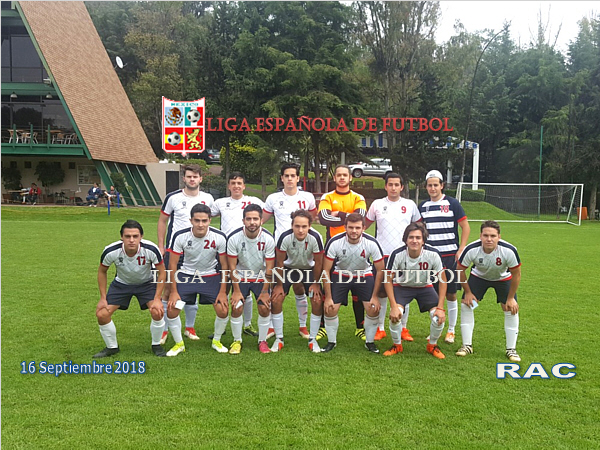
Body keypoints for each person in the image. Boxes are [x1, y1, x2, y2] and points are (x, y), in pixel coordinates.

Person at [157, 164, 214, 344]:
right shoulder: (173, 197)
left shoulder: (208, 198)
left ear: (200, 179)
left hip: (198, 252)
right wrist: (161, 245)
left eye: (195, 177)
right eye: (189, 176)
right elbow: (162, 221)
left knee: (193, 288)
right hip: (175, 250)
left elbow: (208, 222)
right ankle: (164, 329)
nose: (192, 179)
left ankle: (189, 327)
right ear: (184, 178)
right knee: (168, 289)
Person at [94, 220, 167, 358]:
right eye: (127, 236)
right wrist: (103, 298)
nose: (131, 240)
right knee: (102, 314)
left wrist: (157, 298)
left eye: (135, 236)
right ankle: (112, 347)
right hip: (121, 284)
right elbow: (102, 271)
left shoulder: (151, 249)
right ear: (121, 237)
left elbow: (162, 272)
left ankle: (156, 345)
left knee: (157, 311)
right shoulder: (111, 251)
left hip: (146, 284)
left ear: (141, 237)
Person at [165, 204, 229, 356]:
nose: (201, 224)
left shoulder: (219, 237)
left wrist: (222, 292)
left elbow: (225, 266)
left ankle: (216, 341)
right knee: (172, 310)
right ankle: (179, 344)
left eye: (204, 221)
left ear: (209, 221)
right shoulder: (180, 236)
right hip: (186, 276)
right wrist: (173, 291)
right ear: (191, 220)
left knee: (223, 310)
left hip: (210, 276)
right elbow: (172, 265)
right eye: (197, 220)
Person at [263, 163, 317, 339]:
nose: (289, 179)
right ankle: (272, 326)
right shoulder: (273, 198)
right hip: (280, 250)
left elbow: (312, 218)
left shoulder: (307, 197)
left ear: (298, 178)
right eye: (286, 176)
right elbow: (262, 220)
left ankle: (303, 326)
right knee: (276, 288)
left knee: (300, 287)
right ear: (282, 178)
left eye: (293, 175)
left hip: (303, 248)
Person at [455, 220, 522, 362]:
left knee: (510, 308)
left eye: (493, 236)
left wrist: (510, 298)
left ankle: (511, 349)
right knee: (467, 304)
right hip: (479, 277)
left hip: (503, 278)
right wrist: (468, 292)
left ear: (499, 237)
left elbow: (516, 274)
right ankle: (466, 346)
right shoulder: (471, 249)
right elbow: (460, 270)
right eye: (485, 235)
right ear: (480, 236)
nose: (489, 239)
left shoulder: (509, 250)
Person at [365, 172, 421, 342]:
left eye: (397, 185)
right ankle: (380, 328)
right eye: (390, 184)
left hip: (404, 256)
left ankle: (403, 328)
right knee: (381, 292)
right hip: (382, 256)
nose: (393, 188)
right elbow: (364, 226)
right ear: (386, 186)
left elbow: (419, 227)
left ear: (402, 187)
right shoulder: (377, 204)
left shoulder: (410, 205)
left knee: (404, 291)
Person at [321, 213, 386, 353]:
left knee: (372, 308)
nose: (354, 231)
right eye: (350, 227)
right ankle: (331, 342)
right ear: (345, 227)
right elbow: (325, 270)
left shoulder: (371, 243)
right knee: (331, 308)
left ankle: (370, 342)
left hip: (364, 274)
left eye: (357, 228)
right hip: (341, 274)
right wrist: (328, 297)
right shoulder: (335, 242)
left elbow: (380, 270)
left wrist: (375, 296)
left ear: (363, 228)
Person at [418, 169, 470, 344]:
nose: (432, 188)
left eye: (435, 185)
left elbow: (465, 227)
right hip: (431, 258)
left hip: (450, 256)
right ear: (426, 187)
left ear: (442, 185)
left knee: (451, 294)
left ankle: (451, 330)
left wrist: (461, 249)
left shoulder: (452, 203)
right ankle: (436, 328)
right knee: (433, 296)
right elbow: (419, 231)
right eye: (429, 185)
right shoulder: (423, 206)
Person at [383, 222, 447, 359]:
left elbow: (443, 280)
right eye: (411, 237)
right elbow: (388, 280)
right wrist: (393, 306)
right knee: (395, 316)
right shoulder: (397, 254)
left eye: (418, 237)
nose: (414, 241)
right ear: (405, 239)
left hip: (425, 287)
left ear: (423, 240)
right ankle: (397, 345)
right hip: (402, 287)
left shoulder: (433, 254)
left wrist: (441, 307)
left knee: (438, 317)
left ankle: (432, 345)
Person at [211, 172, 264, 337]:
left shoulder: (254, 201)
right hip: (225, 251)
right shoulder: (220, 203)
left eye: (239, 183)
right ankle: (222, 326)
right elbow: (205, 216)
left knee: (245, 285)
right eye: (233, 183)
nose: (236, 186)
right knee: (224, 288)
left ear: (244, 186)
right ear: (228, 186)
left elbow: (266, 214)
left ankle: (247, 325)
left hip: (247, 249)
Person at [318, 165, 367, 342]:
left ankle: (360, 327)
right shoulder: (327, 197)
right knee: (327, 287)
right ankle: (323, 326)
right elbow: (324, 218)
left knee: (358, 288)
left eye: (345, 175)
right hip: (333, 248)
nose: (342, 177)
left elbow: (360, 218)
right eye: (339, 175)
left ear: (350, 178)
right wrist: (349, 217)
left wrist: (339, 214)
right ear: (335, 178)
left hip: (356, 247)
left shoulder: (358, 197)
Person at [271, 210, 325, 353]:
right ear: (292, 225)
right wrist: (279, 285)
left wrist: (316, 284)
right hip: (288, 269)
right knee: (276, 299)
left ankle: (313, 339)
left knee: (317, 300)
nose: (300, 230)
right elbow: (279, 262)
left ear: (309, 226)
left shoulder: (316, 237)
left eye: (304, 226)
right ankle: (279, 338)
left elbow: (319, 263)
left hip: (308, 270)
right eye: (297, 226)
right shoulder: (285, 237)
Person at [227, 204, 276, 353]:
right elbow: (232, 267)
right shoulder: (234, 238)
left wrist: (265, 291)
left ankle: (262, 341)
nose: (252, 222)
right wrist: (236, 291)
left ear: (261, 220)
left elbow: (270, 268)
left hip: (261, 278)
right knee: (236, 307)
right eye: (248, 219)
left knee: (264, 308)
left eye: (255, 219)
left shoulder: (268, 239)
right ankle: (237, 341)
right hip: (241, 277)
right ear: (243, 220)